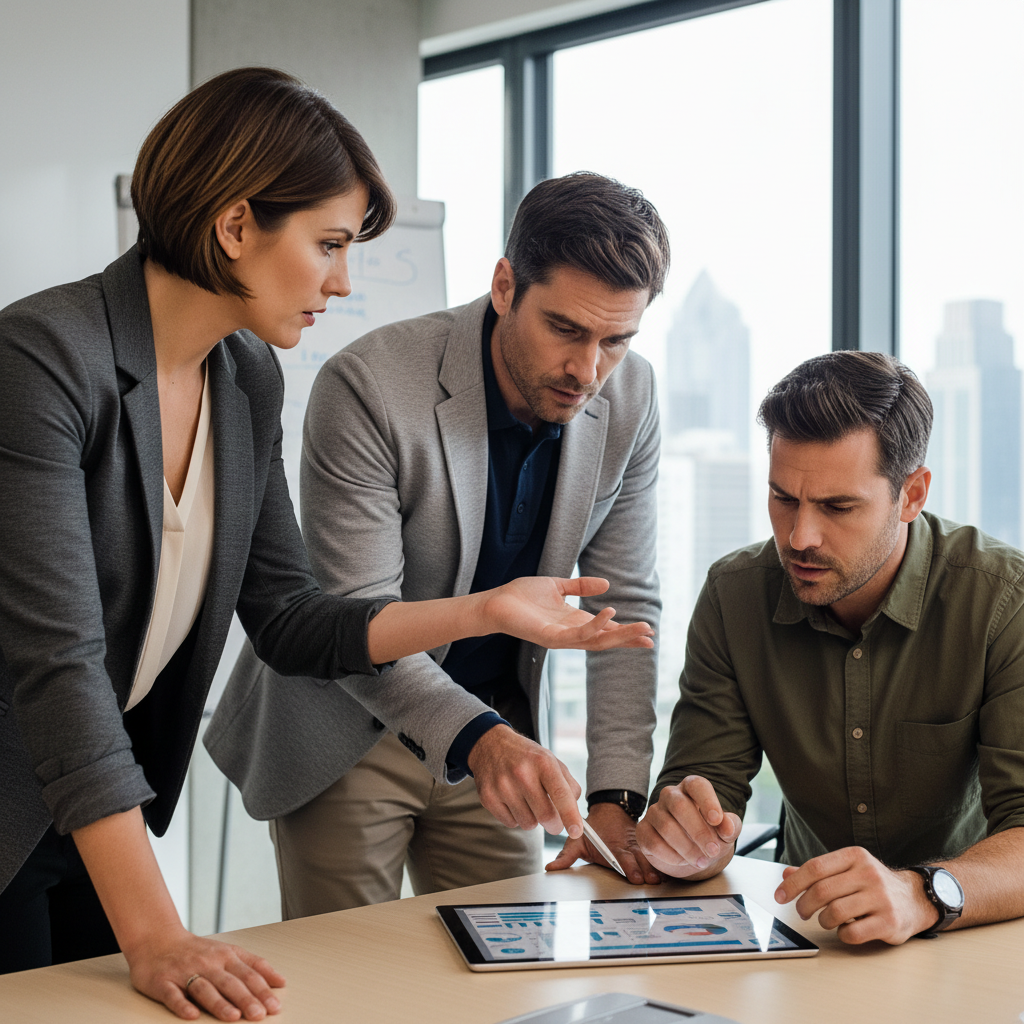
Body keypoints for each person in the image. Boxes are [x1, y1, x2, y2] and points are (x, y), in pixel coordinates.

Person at [0, 68, 655, 1020]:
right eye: (330, 245)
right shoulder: (41, 359)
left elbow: (293, 621)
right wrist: (158, 932)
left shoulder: (242, 378)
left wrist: (483, 610)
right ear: (235, 228)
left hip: (96, 807)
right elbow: (60, 667)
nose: (344, 281)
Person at [206, 172, 670, 917]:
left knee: (510, 966)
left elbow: (624, 605)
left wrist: (617, 793)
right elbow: (355, 613)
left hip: (500, 728)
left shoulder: (631, 395)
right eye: (566, 330)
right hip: (350, 722)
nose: (588, 371)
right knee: (355, 985)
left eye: (616, 340)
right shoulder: (368, 385)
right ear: (505, 285)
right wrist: (481, 739)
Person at [637, 351, 1024, 945]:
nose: (800, 537)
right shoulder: (732, 595)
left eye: (838, 507)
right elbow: (704, 784)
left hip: (968, 930)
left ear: (912, 494)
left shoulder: (1003, 601)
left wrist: (921, 893)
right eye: (783, 498)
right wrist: (691, 839)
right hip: (806, 933)